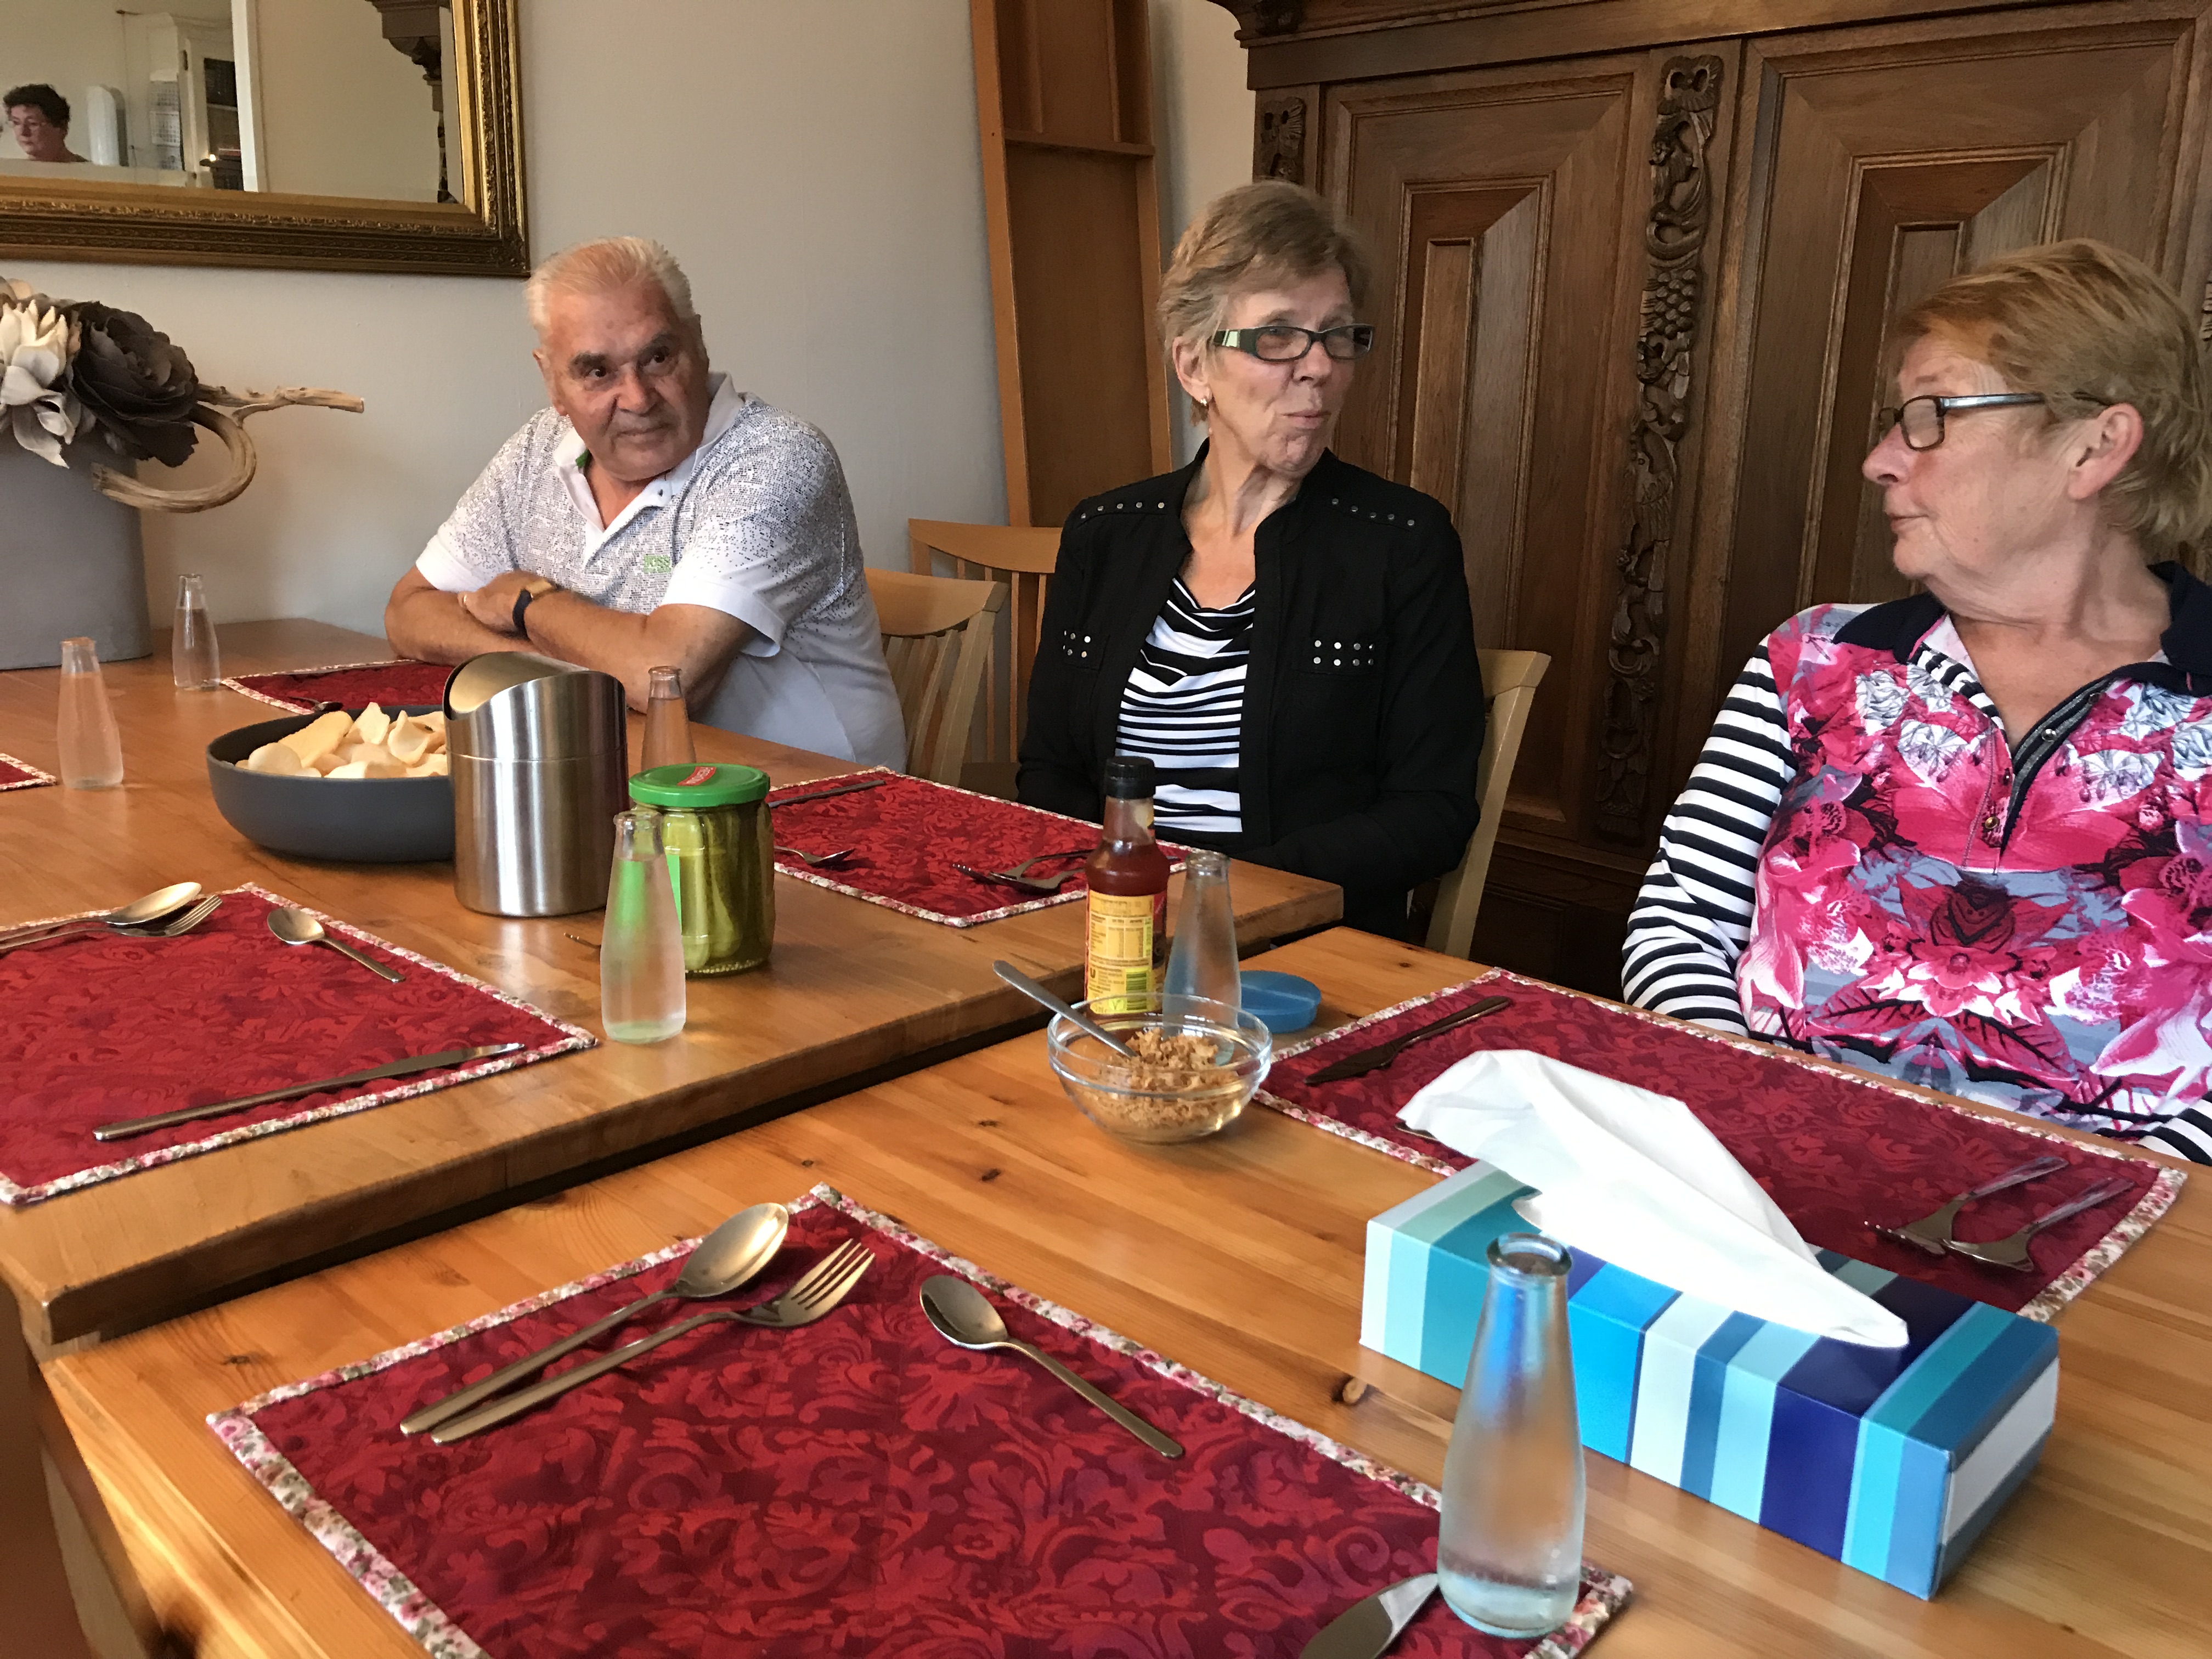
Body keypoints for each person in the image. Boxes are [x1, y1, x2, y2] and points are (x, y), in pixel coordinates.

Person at [1624, 239, 2212, 1164]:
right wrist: (1746, 1116)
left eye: (1930, 416)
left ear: (2094, 445)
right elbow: (1682, 920)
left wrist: (2104, 1202)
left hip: (2109, 1223)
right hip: (1759, 1171)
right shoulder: (1816, 658)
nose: (1879, 461)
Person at [1017, 182, 1483, 937]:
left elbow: (1433, 811)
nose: (1319, 366)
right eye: (1278, 335)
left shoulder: (1401, 540)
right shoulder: (1106, 532)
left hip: (1301, 945)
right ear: (1194, 366)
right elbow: (1049, 772)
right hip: (1114, 923)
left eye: (1338, 335)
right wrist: (1129, 897)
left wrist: (1220, 900)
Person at [385, 236, 904, 770]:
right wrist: (553, 668)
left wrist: (529, 603)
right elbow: (409, 609)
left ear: (698, 344)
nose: (637, 398)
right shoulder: (537, 449)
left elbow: (667, 680)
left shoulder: (777, 456)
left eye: (658, 358)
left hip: (815, 796)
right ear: (552, 382)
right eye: (597, 372)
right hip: (632, 775)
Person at [5, 84, 84, 163]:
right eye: (16, 123)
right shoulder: (15, 170)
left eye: (33, 123)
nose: (23, 133)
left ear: (62, 127)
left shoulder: (86, 169)